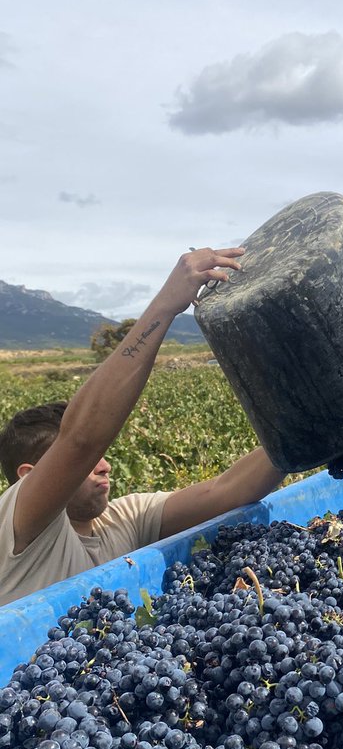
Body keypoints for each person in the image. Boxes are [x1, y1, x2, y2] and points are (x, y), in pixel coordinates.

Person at [0, 247, 285, 607]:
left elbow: (226, 491)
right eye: (86, 467)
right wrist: (166, 304)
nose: (104, 465)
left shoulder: (125, 519)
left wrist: (303, 428)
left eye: (103, 457)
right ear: (29, 475)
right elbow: (81, 440)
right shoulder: (17, 531)